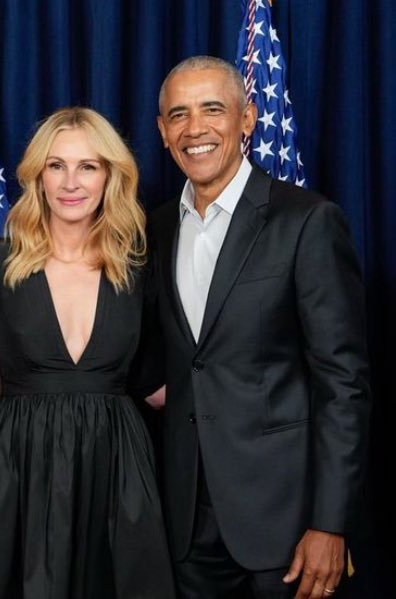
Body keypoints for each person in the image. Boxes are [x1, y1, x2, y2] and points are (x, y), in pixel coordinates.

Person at [149, 55, 372, 599]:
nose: (195, 129)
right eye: (178, 114)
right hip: (184, 522)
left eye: (212, 110)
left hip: (287, 524)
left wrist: (330, 523)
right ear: (162, 131)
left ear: (246, 119)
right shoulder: (151, 229)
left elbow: (344, 384)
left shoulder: (307, 221)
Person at [0, 106, 174, 598]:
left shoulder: (139, 267)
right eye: (57, 165)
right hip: (18, 470)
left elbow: (158, 383)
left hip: (117, 470)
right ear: (38, 176)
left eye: (88, 166)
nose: (72, 182)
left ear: (110, 175)